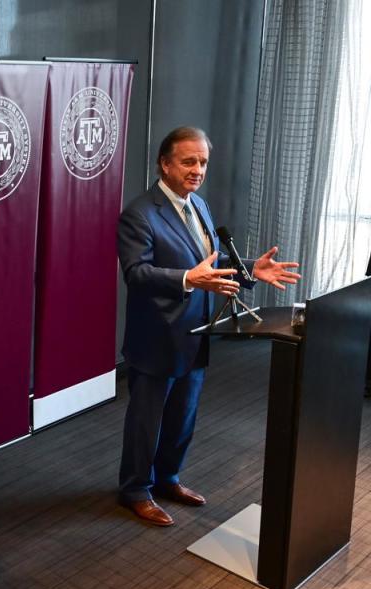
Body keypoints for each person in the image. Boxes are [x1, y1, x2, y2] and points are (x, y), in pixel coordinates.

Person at [117, 126, 301, 527]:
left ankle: (167, 479)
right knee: (146, 422)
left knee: (183, 417)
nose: (197, 170)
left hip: (197, 333)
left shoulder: (198, 205)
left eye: (202, 162)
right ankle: (135, 490)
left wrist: (252, 268)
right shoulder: (141, 213)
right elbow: (137, 273)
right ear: (164, 164)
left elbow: (210, 264)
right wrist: (187, 279)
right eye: (188, 161)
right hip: (157, 338)